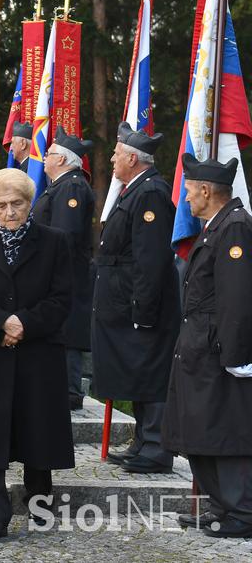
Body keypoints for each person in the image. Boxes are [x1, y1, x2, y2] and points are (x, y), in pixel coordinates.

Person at [0, 168, 75, 541]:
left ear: (30, 204)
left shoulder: (55, 242)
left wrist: (23, 323)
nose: (9, 212)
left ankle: (40, 504)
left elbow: (62, 298)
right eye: (1, 205)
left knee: (37, 428)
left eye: (17, 204)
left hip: (38, 351)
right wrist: (0, 324)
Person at [162, 155, 252, 538]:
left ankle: (241, 513)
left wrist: (236, 356)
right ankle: (219, 506)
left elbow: (237, 298)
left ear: (204, 190)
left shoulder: (234, 228)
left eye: (187, 189)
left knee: (223, 432)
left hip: (217, 351)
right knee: (200, 430)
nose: (184, 197)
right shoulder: (218, 226)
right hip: (200, 347)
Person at [93, 123, 179, 474]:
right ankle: (144, 440)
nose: (112, 158)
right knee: (137, 372)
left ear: (132, 157)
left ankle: (157, 447)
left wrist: (143, 310)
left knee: (151, 371)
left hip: (141, 303)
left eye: (116, 153)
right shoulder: (135, 190)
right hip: (125, 299)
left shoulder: (151, 194)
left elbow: (151, 259)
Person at [33, 127, 95, 409]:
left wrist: (49, 270)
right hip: (58, 273)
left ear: (62, 159)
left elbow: (65, 235)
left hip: (66, 274)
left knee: (68, 331)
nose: (44, 158)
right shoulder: (61, 185)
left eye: (49, 154)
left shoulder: (71, 187)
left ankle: (69, 393)